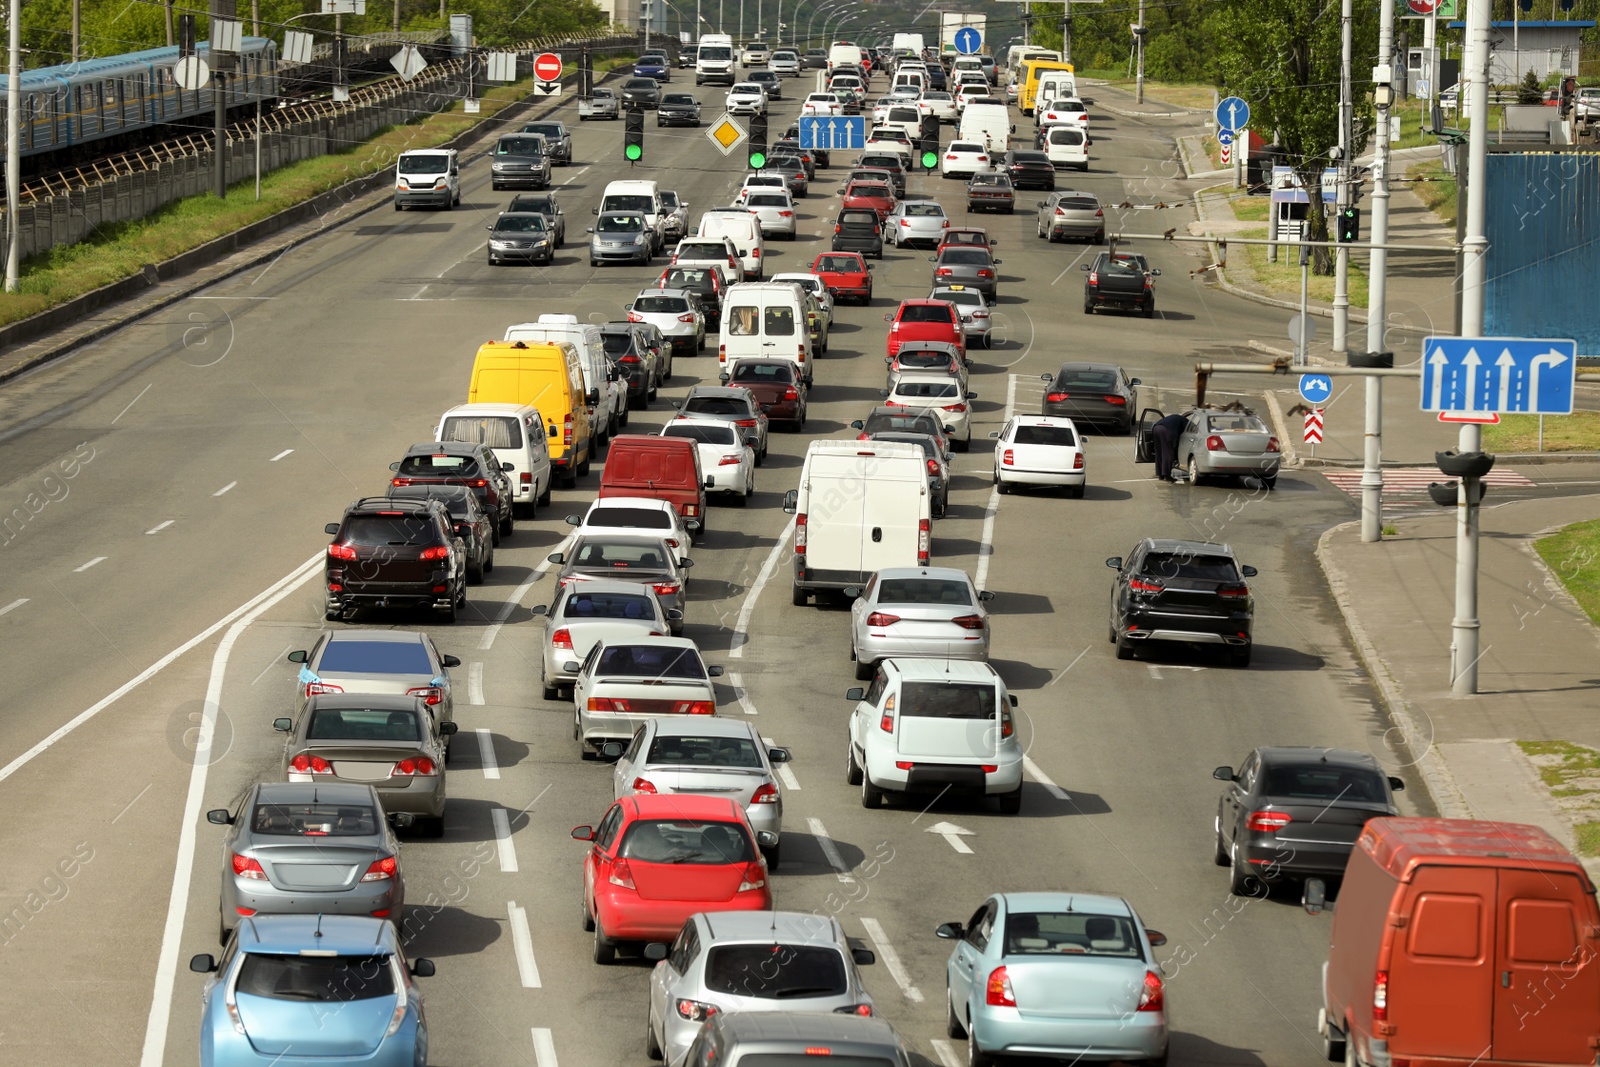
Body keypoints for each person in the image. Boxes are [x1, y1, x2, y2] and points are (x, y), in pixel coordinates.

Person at [1152, 412, 1187, 482]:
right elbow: (1175, 434)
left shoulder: (1178, 419)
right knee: (1168, 453)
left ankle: (1160, 474)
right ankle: (1166, 475)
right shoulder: (1185, 424)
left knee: (1159, 452)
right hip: (1165, 431)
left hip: (1156, 428)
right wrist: (1174, 447)